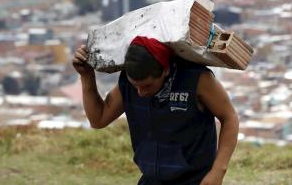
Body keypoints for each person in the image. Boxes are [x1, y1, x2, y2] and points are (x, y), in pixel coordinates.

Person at [72, 36, 239, 185]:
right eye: (135, 85)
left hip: (195, 179)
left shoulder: (197, 79)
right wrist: (87, 77)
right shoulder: (128, 83)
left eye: (147, 86)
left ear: (165, 71)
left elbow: (229, 117)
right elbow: (99, 119)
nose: (140, 92)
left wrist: (218, 172)